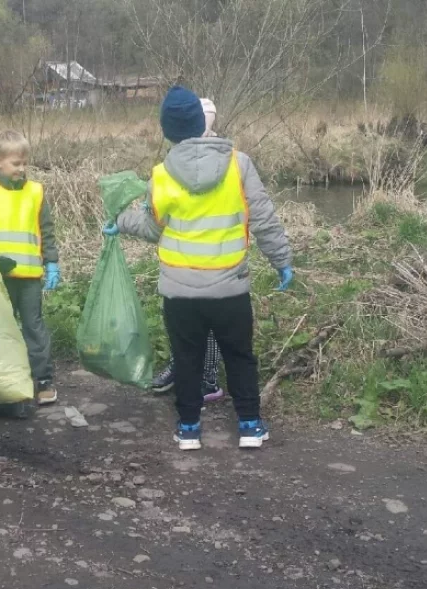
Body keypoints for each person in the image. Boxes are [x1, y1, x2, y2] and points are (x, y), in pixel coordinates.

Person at [104, 87, 294, 451]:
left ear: (167, 131)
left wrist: (120, 221)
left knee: (187, 359)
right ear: (202, 123)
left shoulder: (160, 175)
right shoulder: (240, 164)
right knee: (240, 356)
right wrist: (282, 260)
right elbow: (265, 220)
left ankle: (189, 428)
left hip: (180, 291)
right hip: (230, 288)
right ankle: (251, 426)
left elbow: (151, 227)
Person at [0, 130, 60, 406]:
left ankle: (43, 379)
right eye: (15, 163)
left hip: (30, 277)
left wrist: (52, 262)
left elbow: (46, 230)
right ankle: (3, 378)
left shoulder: (35, 193)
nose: (21, 169)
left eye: (24, 163)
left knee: (34, 328)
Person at [152, 96, 224, 401]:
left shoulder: (223, 159)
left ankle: (207, 377)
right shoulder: (173, 161)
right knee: (179, 321)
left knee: (208, 326)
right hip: (180, 262)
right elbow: (160, 214)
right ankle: (180, 366)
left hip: (215, 260)